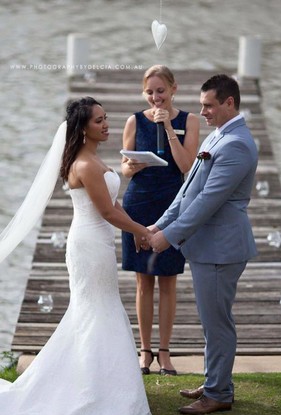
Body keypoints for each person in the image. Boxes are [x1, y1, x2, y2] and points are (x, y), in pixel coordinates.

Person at [0, 97, 151, 415]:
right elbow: (108, 214)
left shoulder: (91, 159)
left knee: (97, 310)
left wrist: (140, 228)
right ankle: (92, 392)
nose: (106, 124)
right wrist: (142, 232)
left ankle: (96, 384)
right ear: (83, 128)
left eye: (106, 118)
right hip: (89, 245)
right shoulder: (85, 165)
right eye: (98, 120)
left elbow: (113, 205)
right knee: (96, 310)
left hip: (96, 242)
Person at [149, 74, 258, 414]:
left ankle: (218, 395)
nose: (203, 112)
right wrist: (159, 223)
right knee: (212, 321)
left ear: (230, 103)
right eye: (201, 105)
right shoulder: (220, 134)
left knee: (217, 323)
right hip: (208, 247)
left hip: (220, 248)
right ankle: (216, 382)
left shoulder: (237, 143)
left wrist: (168, 237)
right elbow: (188, 192)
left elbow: (208, 201)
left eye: (209, 105)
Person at [121, 65, 200, 375]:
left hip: (172, 204)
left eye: (161, 91)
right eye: (150, 92)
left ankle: (165, 352)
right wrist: (133, 167)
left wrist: (168, 128)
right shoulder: (134, 120)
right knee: (143, 281)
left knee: (168, 280)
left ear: (173, 89)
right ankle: (145, 351)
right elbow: (124, 168)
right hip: (139, 203)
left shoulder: (188, 120)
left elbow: (185, 165)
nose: (155, 97)